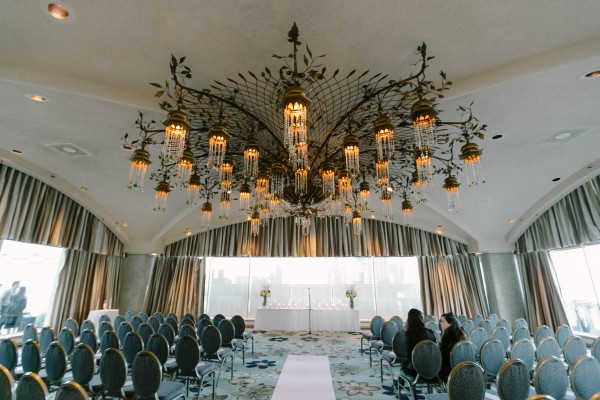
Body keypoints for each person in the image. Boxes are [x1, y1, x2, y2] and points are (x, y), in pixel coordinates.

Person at [402, 308, 436, 376]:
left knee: (404, 366)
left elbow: (407, 354)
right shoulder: (431, 332)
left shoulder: (408, 334)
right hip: (433, 368)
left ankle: (399, 382)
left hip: (415, 370)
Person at [438, 312, 465, 381]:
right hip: (462, 365)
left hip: (449, 369)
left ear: (450, 323)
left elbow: (444, 356)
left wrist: (438, 348)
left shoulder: (447, 336)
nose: (440, 323)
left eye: (443, 321)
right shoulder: (460, 333)